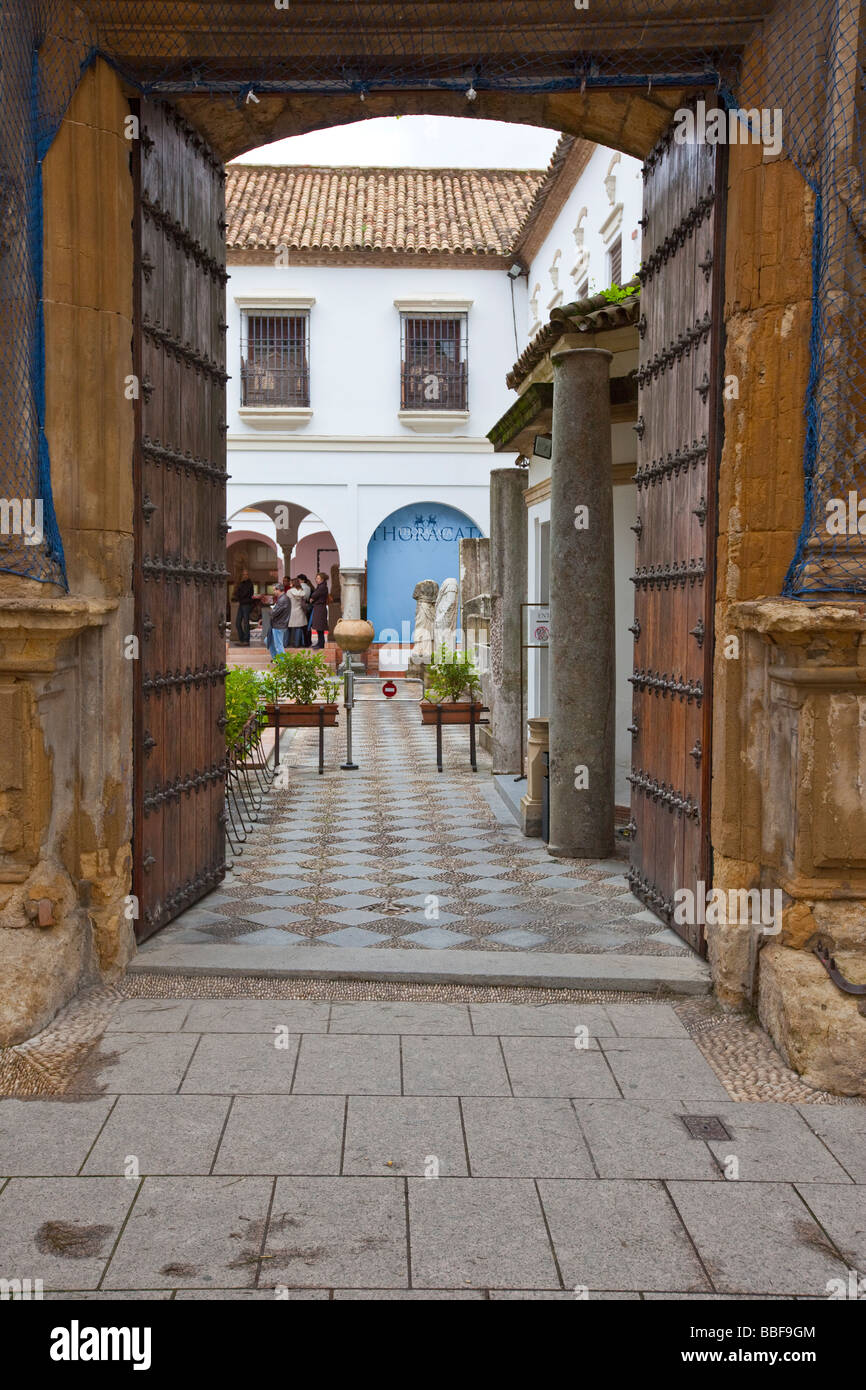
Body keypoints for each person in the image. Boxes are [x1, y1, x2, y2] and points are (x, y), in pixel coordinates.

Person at [269, 580, 292, 656]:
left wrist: (271, 610)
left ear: (279, 590)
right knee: (268, 641)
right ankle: (276, 659)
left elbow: (274, 613)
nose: (274, 592)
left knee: (278, 645)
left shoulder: (283, 599)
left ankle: (282, 663)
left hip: (278, 625)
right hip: (279, 624)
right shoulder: (283, 598)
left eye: (274, 590)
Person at [232, 569, 254, 646]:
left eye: (246, 574)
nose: (245, 576)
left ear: (248, 575)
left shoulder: (250, 583)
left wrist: (239, 595)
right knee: (237, 623)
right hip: (241, 604)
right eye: (244, 574)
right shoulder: (242, 583)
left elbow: (244, 593)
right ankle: (242, 639)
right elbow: (237, 593)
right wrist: (239, 595)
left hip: (247, 605)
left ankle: (246, 640)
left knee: (246, 623)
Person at [308, 572, 330, 649]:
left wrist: (312, 598)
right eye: (316, 578)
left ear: (322, 579)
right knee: (318, 627)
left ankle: (321, 644)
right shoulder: (321, 586)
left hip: (320, 609)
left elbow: (314, 595)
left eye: (318, 578)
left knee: (320, 627)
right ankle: (320, 642)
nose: (316, 580)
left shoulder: (322, 587)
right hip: (319, 608)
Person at [286, 577, 308, 648]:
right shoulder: (302, 592)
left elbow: (287, 602)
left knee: (288, 628)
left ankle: (286, 643)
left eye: (290, 583)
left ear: (293, 584)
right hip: (300, 611)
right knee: (298, 628)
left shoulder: (289, 592)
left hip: (291, 611)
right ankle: (297, 644)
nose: (290, 584)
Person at [296, 573, 313, 647]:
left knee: (302, 626)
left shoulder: (302, 587)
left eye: (298, 580)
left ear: (302, 580)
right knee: (307, 626)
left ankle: (304, 642)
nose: (298, 581)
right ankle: (308, 641)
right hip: (307, 607)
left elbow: (300, 597)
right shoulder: (308, 587)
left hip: (302, 608)